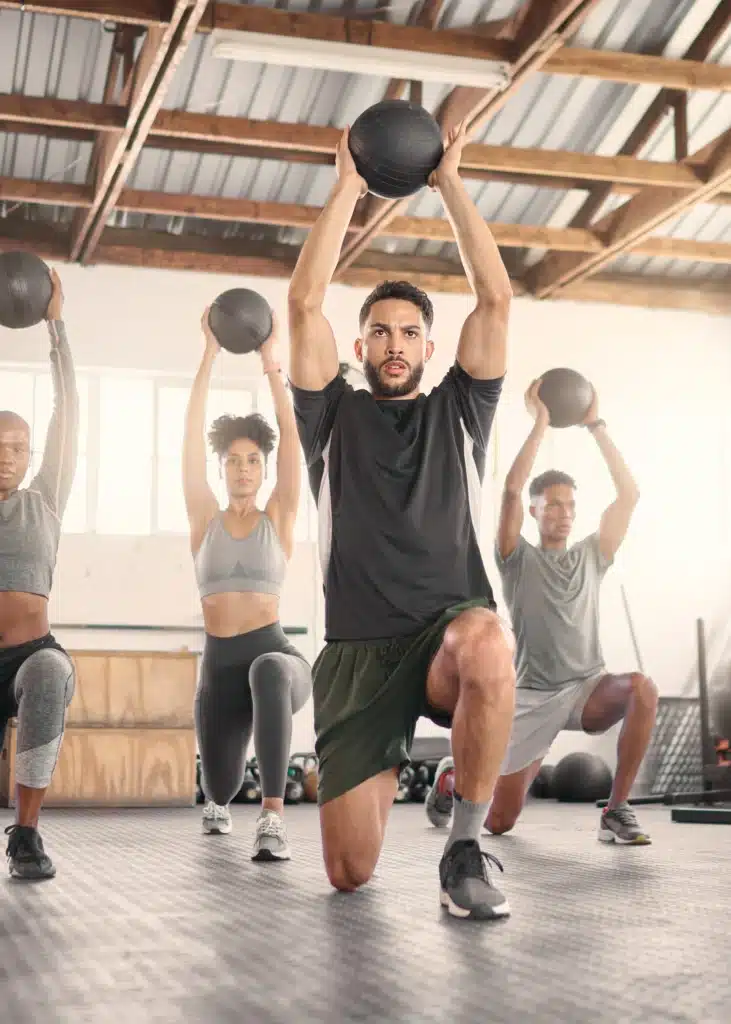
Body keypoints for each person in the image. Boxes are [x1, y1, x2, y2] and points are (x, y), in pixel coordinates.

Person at [287, 121, 516, 921]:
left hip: (444, 637)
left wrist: (449, 182)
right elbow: (303, 301)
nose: (395, 343)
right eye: (380, 330)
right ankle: (414, 779)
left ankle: (463, 843)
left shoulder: (462, 409)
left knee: (487, 638)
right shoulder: (330, 415)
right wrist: (349, 180)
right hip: (356, 654)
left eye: (410, 332)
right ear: (359, 345)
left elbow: (494, 297)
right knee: (349, 875)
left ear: (427, 346)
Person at [427, 379, 656, 844]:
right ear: (535, 511)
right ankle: (454, 773)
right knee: (499, 824)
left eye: (570, 505)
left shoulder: (593, 554)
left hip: (587, 686)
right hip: (531, 697)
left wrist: (595, 425)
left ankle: (617, 810)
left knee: (643, 689)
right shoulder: (517, 558)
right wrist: (541, 424)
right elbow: (511, 491)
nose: (564, 513)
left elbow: (629, 495)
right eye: (552, 504)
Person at [183, 308, 312, 861]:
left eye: (252, 461)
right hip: (219, 666)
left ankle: (273, 820)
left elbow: (293, 443)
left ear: (263, 470)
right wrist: (209, 353)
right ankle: (222, 799)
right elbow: (189, 438)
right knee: (218, 786)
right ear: (221, 469)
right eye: (233, 461)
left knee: (267, 670)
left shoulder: (277, 516)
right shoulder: (203, 519)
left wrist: (272, 367)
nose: (242, 469)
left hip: (276, 657)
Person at [1, 269, 79, 880]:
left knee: (52, 671)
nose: (8, 454)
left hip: (30, 652)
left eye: (18, 446)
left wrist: (56, 325)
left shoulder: (44, 498)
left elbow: (68, 410)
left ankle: (26, 836)